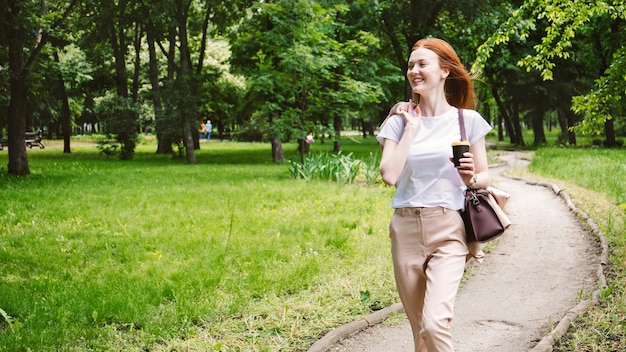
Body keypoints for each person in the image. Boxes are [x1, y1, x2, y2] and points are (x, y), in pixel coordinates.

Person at [377, 38, 492, 352]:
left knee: (435, 323)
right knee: (420, 333)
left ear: (444, 71)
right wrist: (410, 128)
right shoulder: (398, 121)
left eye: (422, 64)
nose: (414, 71)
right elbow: (389, 175)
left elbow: (484, 176)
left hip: (448, 229)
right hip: (405, 229)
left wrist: (471, 178)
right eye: (411, 65)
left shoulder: (466, 121)